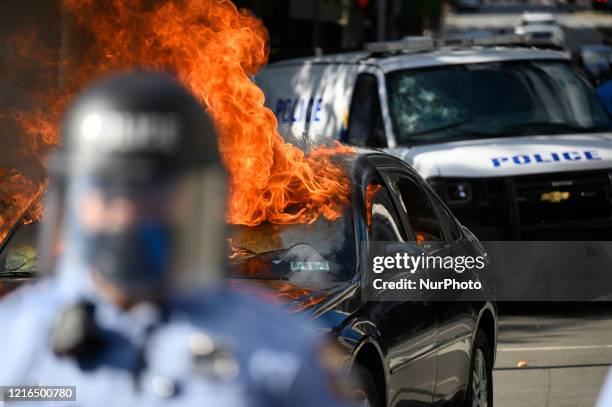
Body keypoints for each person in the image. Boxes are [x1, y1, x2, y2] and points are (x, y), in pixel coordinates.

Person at [0, 71, 353, 407]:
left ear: (199, 204)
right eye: (108, 194)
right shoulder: (13, 342)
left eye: (153, 195)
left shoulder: (281, 354)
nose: (127, 217)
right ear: (72, 200)